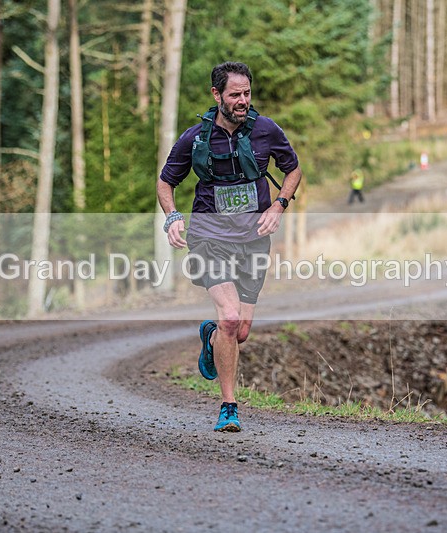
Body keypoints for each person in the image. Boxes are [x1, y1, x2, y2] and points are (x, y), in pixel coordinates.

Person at [157, 61, 302, 432]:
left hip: (253, 240)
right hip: (209, 237)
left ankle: (211, 337)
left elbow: (294, 169)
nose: (242, 101)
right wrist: (173, 217)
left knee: (240, 331)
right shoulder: (195, 138)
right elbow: (165, 182)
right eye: (235, 94)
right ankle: (229, 406)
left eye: (247, 94)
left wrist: (279, 205)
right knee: (230, 317)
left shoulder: (266, 130)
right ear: (216, 94)